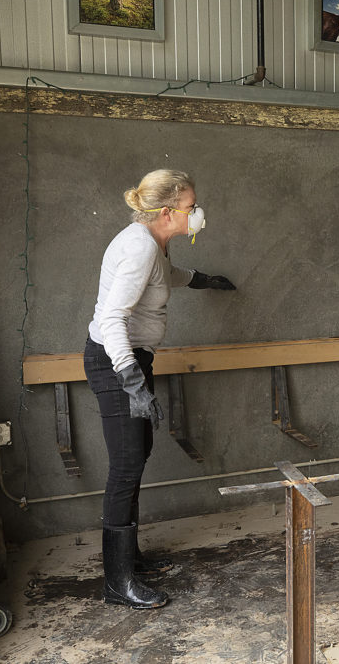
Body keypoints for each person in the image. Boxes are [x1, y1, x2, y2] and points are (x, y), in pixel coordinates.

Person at [83, 169, 235, 609]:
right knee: (126, 465)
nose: (197, 213)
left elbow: (166, 275)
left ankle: (129, 560)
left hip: (132, 360)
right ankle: (117, 582)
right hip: (116, 363)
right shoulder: (139, 247)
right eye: (191, 206)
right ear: (168, 212)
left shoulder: (153, 244)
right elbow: (112, 319)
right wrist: (132, 382)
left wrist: (204, 280)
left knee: (138, 455)